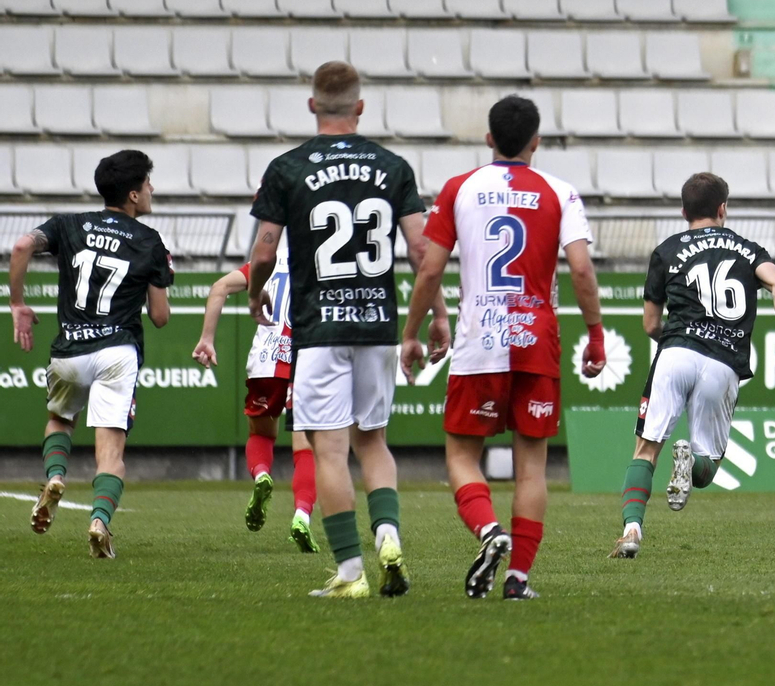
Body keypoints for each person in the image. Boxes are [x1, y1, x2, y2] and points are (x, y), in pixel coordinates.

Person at [247, 61, 450, 598]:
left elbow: (265, 250)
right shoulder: (393, 166)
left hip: (319, 329)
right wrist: (438, 313)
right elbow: (423, 252)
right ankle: (388, 536)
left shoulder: (287, 167)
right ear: (360, 107)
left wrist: (254, 290)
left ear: (312, 105)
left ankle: (351, 574)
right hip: (378, 325)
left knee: (330, 449)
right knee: (374, 441)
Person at [401, 95, 607, 601]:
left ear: (489, 138)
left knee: (461, 455)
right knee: (532, 465)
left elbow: (430, 267)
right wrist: (596, 331)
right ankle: (518, 579)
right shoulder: (561, 192)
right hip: (536, 339)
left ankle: (489, 531)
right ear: (536, 141)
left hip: (480, 340)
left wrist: (413, 331)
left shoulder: (458, 188)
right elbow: (581, 269)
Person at [616, 172, 775, 560]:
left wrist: (676, 342)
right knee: (710, 465)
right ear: (723, 208)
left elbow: (651, 324)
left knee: (645, 449)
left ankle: (632, 529)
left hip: (677, 352)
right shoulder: (747, 249)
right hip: (723, 363)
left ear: (684, 210)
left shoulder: (667, 250)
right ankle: (690, 463)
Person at [7, 149, 174, 559]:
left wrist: (17, 304)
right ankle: (99, 521)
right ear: (134, 195)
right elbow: (160, 317)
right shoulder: (150, 241)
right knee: (111, 453)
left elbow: (22, 244)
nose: (152, 189)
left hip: (70, 349)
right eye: (147, 183)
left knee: (59, 420)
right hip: (117, 351)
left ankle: (56, 475)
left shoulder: (70, 225)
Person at [192, 237, 319, 551]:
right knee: (308, 448)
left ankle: (262, 474)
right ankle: (302, 514)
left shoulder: (269, 263)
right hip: (307, 360)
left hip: (265, 361)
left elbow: (219, 287)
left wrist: (207, 339)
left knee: (261, 434)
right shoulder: (325, 263)